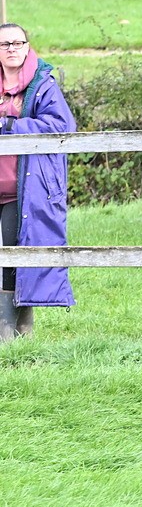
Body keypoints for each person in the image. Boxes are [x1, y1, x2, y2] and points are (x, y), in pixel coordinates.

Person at [0, 24, 76, 339]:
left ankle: (11, 331)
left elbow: (61, 124)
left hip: (24, 189)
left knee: (15, 255)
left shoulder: (43, 83)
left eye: (17, 42)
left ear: (28, 46)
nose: (11, 48)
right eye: (4, 43)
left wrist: (10, 124)